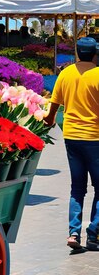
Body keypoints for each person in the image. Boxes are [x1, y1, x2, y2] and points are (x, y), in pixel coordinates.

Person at [44, 37, 99, 253]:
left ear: (77, 53)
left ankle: (73, 232)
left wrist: (46, 121)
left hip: (72, 138)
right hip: (95, 138)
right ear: (95, 53)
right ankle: (93, 233)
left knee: (77, 188)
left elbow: (53, 108)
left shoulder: (65, 74)